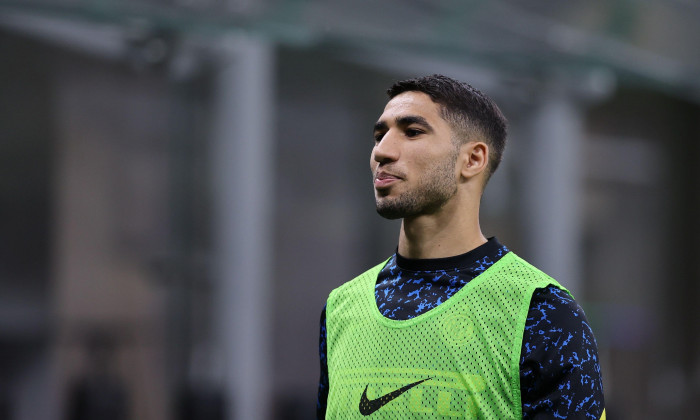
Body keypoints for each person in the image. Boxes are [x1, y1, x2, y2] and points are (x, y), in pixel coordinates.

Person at [317, 74, 605, 419]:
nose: (382, 150)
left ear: (472, 160)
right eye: (380, 135)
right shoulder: (341, 308)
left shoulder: (542, 310)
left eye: (412, 132)